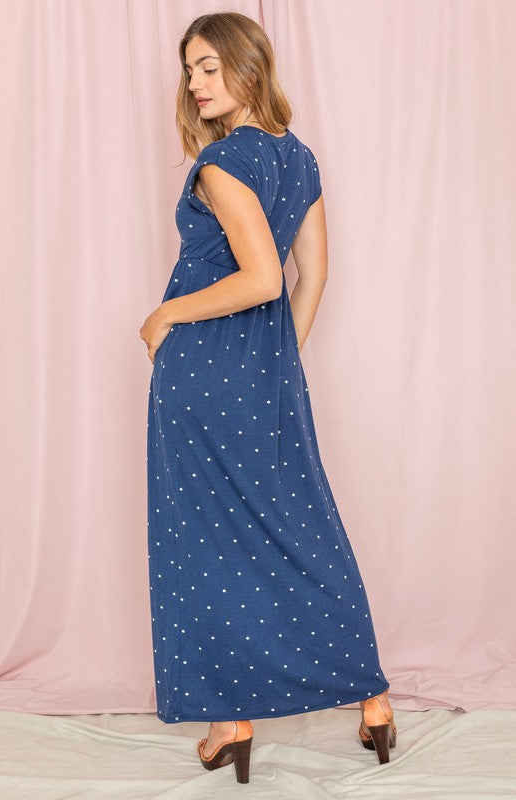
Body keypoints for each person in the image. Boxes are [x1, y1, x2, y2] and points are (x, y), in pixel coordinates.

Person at [139, 11, 397, 784]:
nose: (196, 83)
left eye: (210, 67)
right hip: (264, 375)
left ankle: (231, 721)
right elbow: (307, 278)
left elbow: (258, 278)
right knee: (303, 530)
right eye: (190, 70)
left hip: (199, 374)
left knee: (201, 545)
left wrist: (164, 314)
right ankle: (373, 701)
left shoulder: (223, 163)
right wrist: (278, 358)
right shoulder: (302, 159)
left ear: (250, 68)